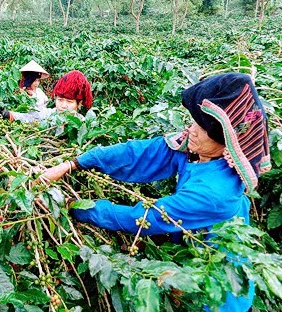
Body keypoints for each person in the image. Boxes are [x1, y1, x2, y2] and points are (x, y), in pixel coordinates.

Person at [40, 73, 271, 311]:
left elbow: (142, 218)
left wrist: (77, 206)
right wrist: (74, 164)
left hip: (219, 296)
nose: (191, 130)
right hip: (188, 257)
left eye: (201, 128)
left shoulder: (215, 192)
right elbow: (137, 154)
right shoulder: (194, 151)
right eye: (194, 122)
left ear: (227, 142)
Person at [1, 70, 93, 123]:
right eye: (60, 99)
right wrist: (8, 114)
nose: (63, 105)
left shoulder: (82, 123)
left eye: (69, 101)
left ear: (79, 103)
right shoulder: (50, 114)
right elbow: (31, 117)